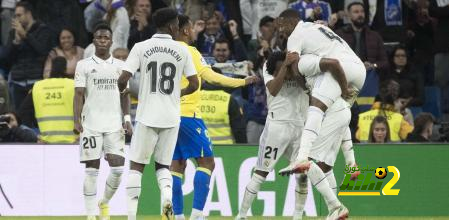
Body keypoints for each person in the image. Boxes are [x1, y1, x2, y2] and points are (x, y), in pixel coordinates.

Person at [276, 8, 366, 219]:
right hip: (347, 99)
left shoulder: (304, 61)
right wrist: (351, 163)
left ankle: (304, 158)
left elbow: (333, 64)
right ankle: (333, 209)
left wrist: (343, 89)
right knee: (323, 169)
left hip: (342, 83)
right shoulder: (315, 33)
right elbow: (344, 123)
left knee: (310, 161)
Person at [171, 15, 257, 220]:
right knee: (207, 163)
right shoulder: (189, 51)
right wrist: (242, 82)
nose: (193, 32)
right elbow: (211, 76)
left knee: (177, 165)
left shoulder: (167, 52)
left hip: (169, 116)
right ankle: (198, 215)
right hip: (189, 115)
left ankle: (178, 215)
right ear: (184, 30)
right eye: (191, 28)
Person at [117, 8, 199, 220]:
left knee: (137, 166)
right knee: (163, 166)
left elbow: (123, 78)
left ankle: (131, 216)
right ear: (172, 27)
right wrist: (175, 94)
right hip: (171, 117)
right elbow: (195, 83)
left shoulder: (141, 47)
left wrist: (123, 90)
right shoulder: (182, 51)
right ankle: (166, 201)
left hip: (147, 115)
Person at [235, 51, 309, 220]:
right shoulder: (268, 69)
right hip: (277, 128)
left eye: (286, 67)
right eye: (279, 69)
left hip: (299, 128)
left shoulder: (300, 71)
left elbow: (305, 87)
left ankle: (297, 216)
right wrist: (285, 66)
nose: (284, 72)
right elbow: (274, 89)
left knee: (302, 174)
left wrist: (293, 67)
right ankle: (241, 215)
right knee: (261, 173)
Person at [73, 23, 132, 220]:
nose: (103, 41)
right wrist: (76, 120)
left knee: (118, 168)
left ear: (111, 41)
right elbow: (79, 94)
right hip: (90, 123)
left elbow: (125, 94)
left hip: (115, 124)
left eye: (106, 38)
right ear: (94, 40)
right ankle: (90, 216)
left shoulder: (121, 66)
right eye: (99, 37)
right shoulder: (84, 65)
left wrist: (127, 119)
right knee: (91, 169)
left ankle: (104, 202)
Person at [4, 1, 55, 108]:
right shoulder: (13, 33)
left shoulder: (43, 30)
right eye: (15, 16)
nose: (17, 19)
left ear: (28, 14)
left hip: (36, 81)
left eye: (19, 15)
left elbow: (42, 50)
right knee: (19, 119)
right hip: (17, 82)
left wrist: (25, 35)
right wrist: (16, 43)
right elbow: (6, 58)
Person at [29, 56, 77, 143]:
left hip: (46, 142)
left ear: (51, 67)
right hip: (73, 142)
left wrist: (34, 134)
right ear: (65, 68)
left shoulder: (38, 86)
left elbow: (24, 112)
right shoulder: (73, 85)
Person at [335, 2, 389, 75]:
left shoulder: (375, 36)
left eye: (362, 11)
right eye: (356, 12)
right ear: (349, 15)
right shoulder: (340, 35)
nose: (360, 15)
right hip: (346, 74)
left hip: (369, 75)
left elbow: (384, 62)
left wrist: (373, 65)